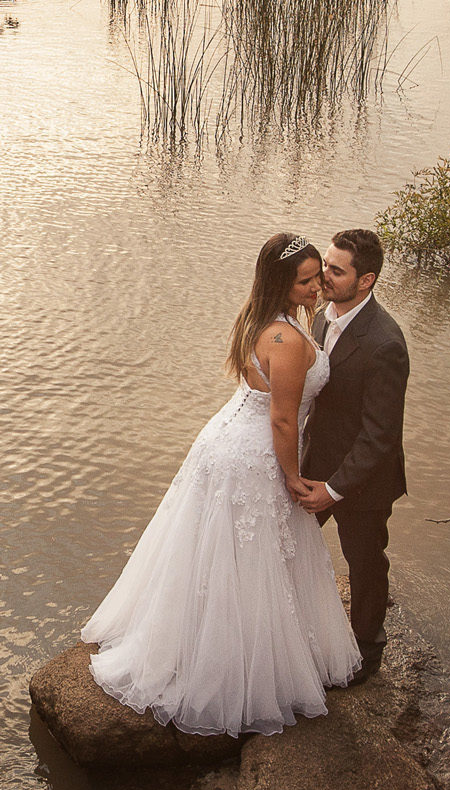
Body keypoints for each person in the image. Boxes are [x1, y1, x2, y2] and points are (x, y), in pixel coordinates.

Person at [79, 232, 361, 735]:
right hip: (254, 454)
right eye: (305, 281)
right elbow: (282, 420)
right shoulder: (288, 340)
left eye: (319, 275)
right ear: (281, 283)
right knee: (250, 556)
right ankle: (232, 667)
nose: (317, 287)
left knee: (216, 549)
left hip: (225, 441)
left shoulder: (261, 321)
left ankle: (203, 640)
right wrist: (293, 476)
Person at [290, 228, 408, 687]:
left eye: (336, 271)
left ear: (367, 281)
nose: (323, 278)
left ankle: (367, 650)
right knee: (288, 542)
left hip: (364, 482)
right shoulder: (321, 317)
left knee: (365, 562)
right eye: (325, 268)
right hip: (317, 465)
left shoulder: (386, 344)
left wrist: (335, 489)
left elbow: (380, 436)